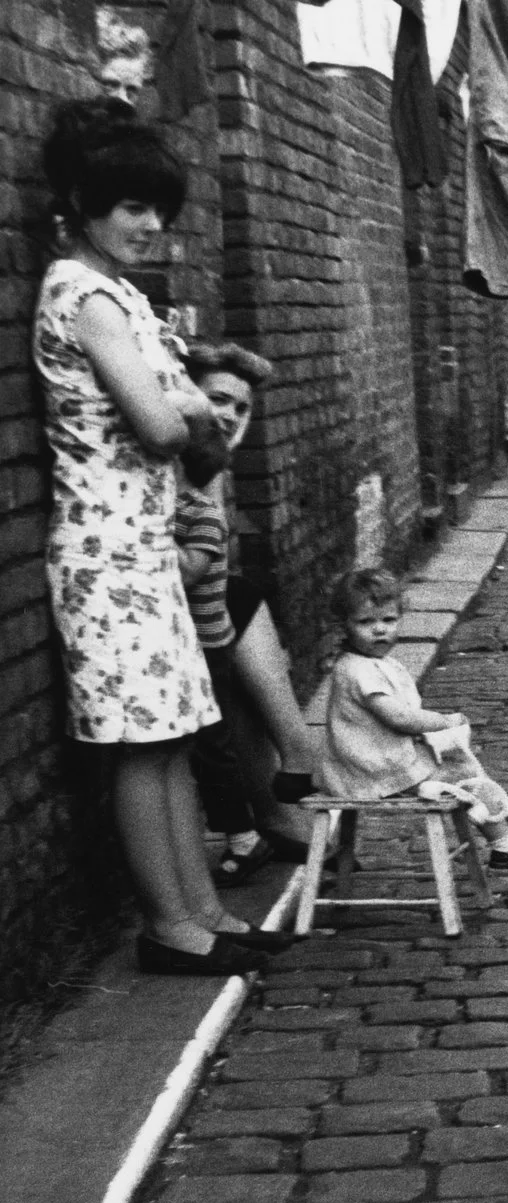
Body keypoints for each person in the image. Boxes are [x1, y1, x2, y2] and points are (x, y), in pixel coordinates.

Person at [34, 98, 287, 976]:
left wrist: (185, 410)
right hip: (106, 556)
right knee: (142, 749)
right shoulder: (82, 294)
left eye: (159, 211)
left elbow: (204, 437)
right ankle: (168, 926)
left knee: (174, 737)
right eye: (131, 207)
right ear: (84, 204)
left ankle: (203, 910)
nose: (149, 226)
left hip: (142, 550)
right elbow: (164, 424)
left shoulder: (124, 298)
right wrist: (178, 406)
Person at [173, 341, 325, 884]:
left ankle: (284, 788)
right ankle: (296, 757)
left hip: (202, 612)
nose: (231, 415)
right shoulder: (173, 452)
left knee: (236, 613)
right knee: (238, 602)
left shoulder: (210, 460)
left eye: (242, 408)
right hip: (165, 613)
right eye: (218, 399)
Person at [318, 568, 508, 868]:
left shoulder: (374, 663)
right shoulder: (358, 670)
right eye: (366, 622)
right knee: (464, 778)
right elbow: (400, 718)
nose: (379, 629)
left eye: (388, 620)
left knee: (457, 766)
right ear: (345, 627)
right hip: (376, 771)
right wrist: (444, 722)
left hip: (380, 762)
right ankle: (505, 843)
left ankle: (507, 816)